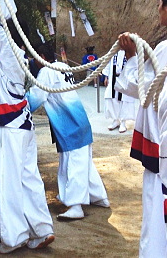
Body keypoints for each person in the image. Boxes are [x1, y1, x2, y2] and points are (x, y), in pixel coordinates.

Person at [0, 0, 54, 254]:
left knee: (6, 180)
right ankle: (42, 228)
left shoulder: (5, 45)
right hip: (24, 123)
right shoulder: (20, 52)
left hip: (9, 125)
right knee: (28, 177)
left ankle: (13, 237)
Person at [27, 42, 110, 221]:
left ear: (41, 56)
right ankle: (98, 197)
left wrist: (19, 105)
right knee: (83, 163)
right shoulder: (63, 66)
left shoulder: (47, 71)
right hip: (79, 122)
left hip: (69, 124)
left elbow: (37, 97)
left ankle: (75, 205)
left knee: (74, 165)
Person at [116, 0, 167, 257]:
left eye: (160, 3)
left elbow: (139, 88)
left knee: (156, 231)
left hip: (162, 164)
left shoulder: (164, 51)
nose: (158, 9)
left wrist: (134, 56)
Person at [102, 49, 136, 133]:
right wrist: (106, 76)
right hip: (113, 78)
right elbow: (108, 64)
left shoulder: (131, 52)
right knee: (111, 99)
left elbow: (135, 65)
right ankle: (115, 120)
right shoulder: (113, 52)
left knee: (124, 101)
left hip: (125, 80)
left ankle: (123, 123)